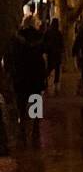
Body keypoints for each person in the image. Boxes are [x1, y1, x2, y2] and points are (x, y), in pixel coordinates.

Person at [3, 16, 47, 145]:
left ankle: (22, 126)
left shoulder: (16, 39)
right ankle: (35, 127)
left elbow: (9, 56)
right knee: (35, 98)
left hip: (20, 74)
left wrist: (10, 72)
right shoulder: (39, 37)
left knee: (21, 101)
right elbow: (43, 55)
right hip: (35, 75)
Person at [43, 18, 64, 92]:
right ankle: (56, 84)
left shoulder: (48, 32)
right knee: (57, 69)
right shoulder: (58, 33)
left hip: (50, 53)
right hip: (56, 53)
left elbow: (44, 42)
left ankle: (45, 83)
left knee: (49, 68)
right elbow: (61, 44)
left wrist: (45, 50)